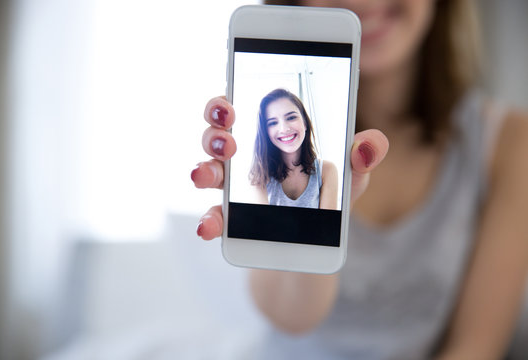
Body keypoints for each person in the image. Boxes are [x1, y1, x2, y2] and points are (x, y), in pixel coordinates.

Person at [191, 0, 528, 358]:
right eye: (272, 122)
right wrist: (329, 214)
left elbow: (475, 347)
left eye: (290, 118)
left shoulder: (508, 143)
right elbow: (290, 318)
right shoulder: (268, 175)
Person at [249, 88, 338, 209]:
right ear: (266, 132)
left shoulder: (326, 171)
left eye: (291, 118)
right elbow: (262, 225)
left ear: (305, 123)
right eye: (273, 123)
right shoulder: (259, 174)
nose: (284, 129)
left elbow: (327, 226)